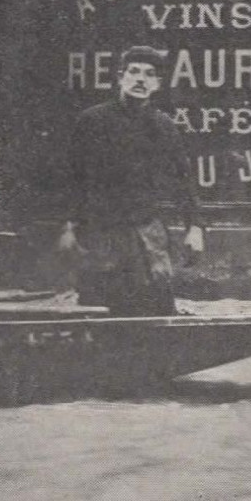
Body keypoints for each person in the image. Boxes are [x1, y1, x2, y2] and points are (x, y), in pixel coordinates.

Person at [58, 45, 204, 315]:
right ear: (120, 77)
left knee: (156, 309)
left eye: (149, 74)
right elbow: (73, 177)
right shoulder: (92, 121)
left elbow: (183, 180)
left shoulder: (164, 127)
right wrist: (68, 225)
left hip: (147, 235)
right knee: (99, 310)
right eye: (133, 72)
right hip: (102, 233)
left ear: (158, 84)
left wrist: (194, 227)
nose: (140, 79)